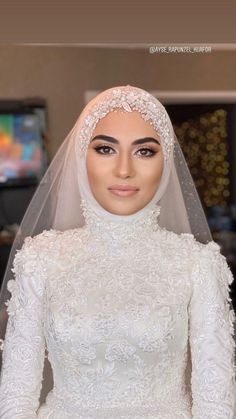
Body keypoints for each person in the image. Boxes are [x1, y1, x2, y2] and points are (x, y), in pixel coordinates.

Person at [0, 85, 235, 418]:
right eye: (105, 149)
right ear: (83, 156)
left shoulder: (197, 264)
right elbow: (15, 398)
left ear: (166, 161)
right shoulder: (41, 260)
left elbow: (216, 404)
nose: (124, 169)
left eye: (145, 152)